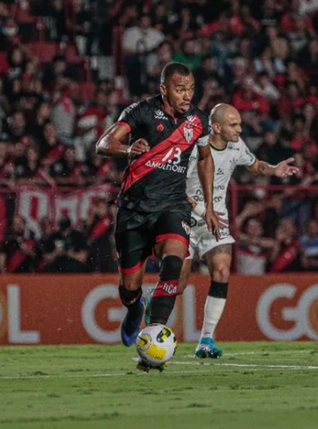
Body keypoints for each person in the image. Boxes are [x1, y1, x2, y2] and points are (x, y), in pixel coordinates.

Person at [95, 62, 220, 359]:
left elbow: (205, 159)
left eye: (191, 89)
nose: (187, 95)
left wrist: (210, 205)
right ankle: (134, 306)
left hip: (173, 205)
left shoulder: (198, 122)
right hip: (134, 209)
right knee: (129, 287)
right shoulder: (140, 112)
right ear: (164, 89)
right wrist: (127, 150)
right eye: (180, 90)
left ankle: (154, 335)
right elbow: (103, 144)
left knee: (174, 264)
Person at [154, 104, 298, 359]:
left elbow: (254, 165)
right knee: (177, 285)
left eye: (240, 124)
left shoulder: (236, 145)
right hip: (186, 219)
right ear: (216, 127)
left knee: (221, 271)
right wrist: (203, 212)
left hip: (216, 222)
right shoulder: (195, 148)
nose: (240, 129)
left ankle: (206, 340)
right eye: (234, 125)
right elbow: (175, 189)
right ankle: (152, 323)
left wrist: (274, 169)